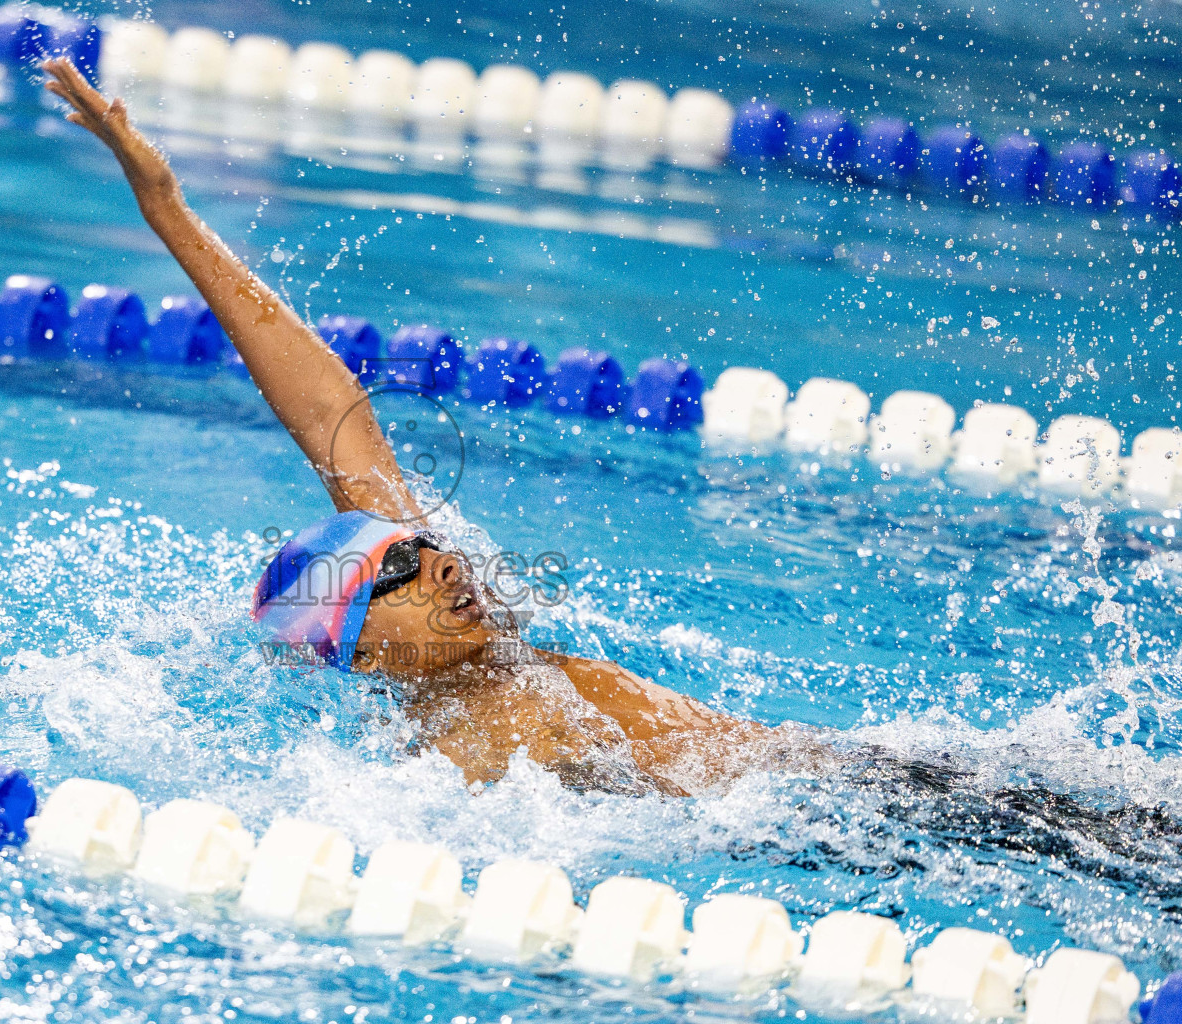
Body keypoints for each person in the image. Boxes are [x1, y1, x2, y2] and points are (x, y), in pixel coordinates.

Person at [41, 58, 816, 797]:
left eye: (422, 548)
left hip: (824, 767)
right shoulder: (457, 759)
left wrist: (168, 210)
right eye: (395, 571)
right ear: (363, 653)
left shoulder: (490, 652)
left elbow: (326, 409)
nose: (442, 565)